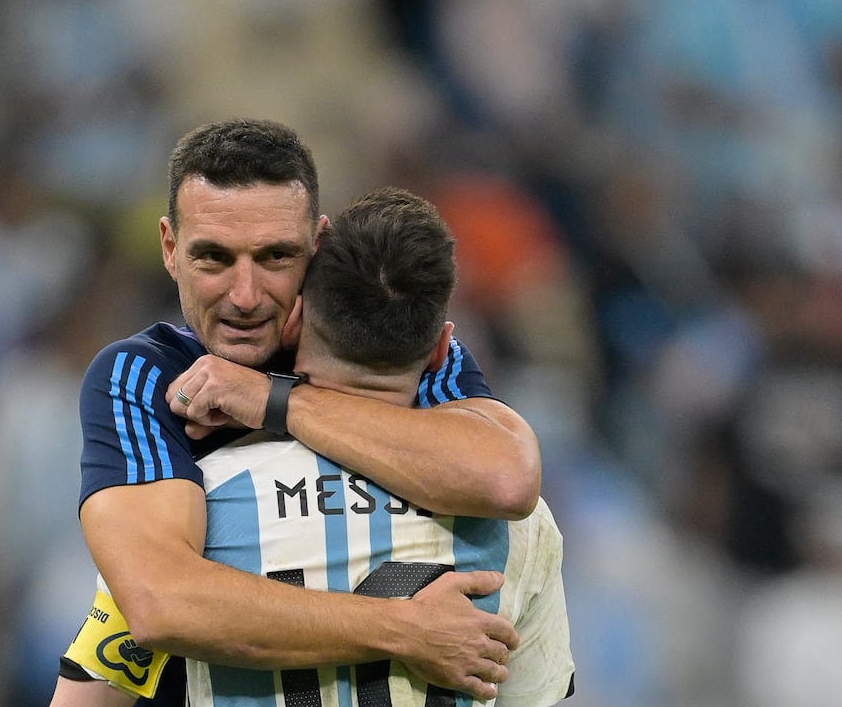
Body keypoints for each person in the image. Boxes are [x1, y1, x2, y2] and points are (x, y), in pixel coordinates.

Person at [50, 119, 542, 705]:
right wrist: (403, 629)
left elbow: (506, 478)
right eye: (214, 258)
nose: (246, 296)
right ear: (169, 248)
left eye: (276, 256)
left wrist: (272, 401)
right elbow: (157, 604)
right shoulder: (144, 376)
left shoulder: (386, 345)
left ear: (318, 243)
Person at [183, 185, 575, 705]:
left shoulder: (195, 496)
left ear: (295, 322)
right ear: (441, 349)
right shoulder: (523, 529)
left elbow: (100, 676)